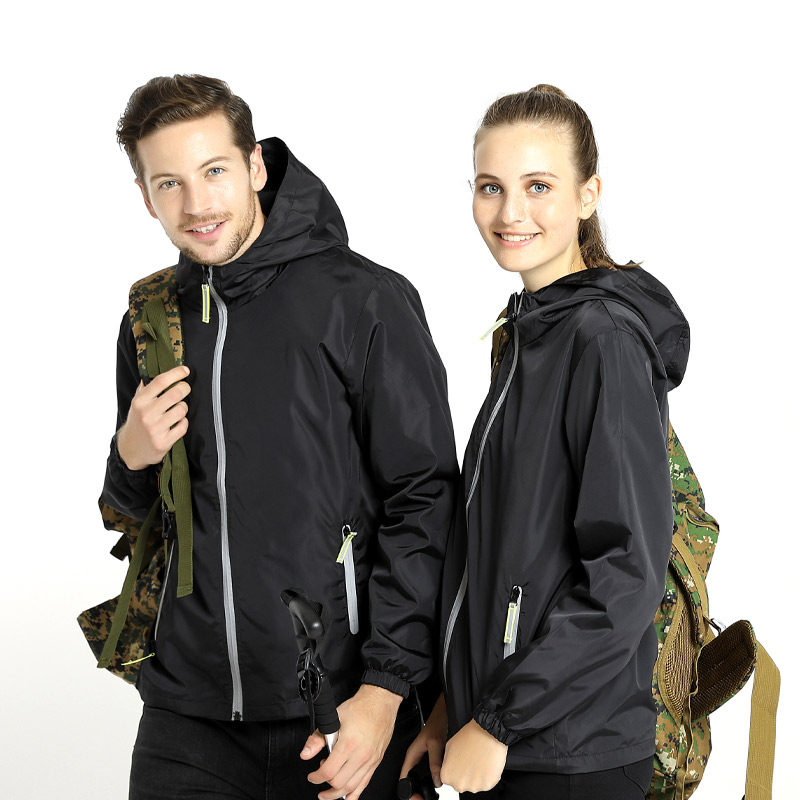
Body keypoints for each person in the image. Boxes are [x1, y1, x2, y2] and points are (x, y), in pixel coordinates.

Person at [100, 74, 458, 800]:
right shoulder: (152, 316)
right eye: (169, 183)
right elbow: (136, 517)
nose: (197, 205)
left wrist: (385, 689)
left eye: (214, 171)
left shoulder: (364, 301)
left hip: (340, 706)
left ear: (256, 166)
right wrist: (129, 456)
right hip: (186, 713)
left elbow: (425, 500)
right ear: (145, 196)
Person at [401, 85, 689, 799]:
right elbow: (506, 555)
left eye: (538, 186)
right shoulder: (532, 332)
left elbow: (625, 571)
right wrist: (453, 706)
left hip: (570, 755)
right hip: (516, 735)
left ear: (588, 195)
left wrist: (499, 721)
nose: (510, 213)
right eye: (490, 187)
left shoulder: (601, 340)